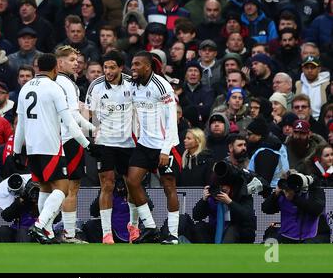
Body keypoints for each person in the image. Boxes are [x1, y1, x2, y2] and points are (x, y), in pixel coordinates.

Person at [14, 53, 98, 244]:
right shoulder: (54, 87)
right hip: (50, 146)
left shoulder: (25, 88)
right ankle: (40, 224)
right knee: (62, 187)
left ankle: (48, 232)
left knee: (45, 188)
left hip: (32, 147)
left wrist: (16, 151)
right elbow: (69, 121)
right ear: (55, 69)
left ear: (37, 69)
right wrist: (87, 144)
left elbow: (20, 124)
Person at [126, 51, 180, 244]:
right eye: (132, 64)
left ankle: (173, 234)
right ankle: (150, 227)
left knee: (168, 187)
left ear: (148, 67)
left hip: (164, 146)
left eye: (137, 64)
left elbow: (172, 120)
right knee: (132, 182)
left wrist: (166, 150)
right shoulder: (133, 85)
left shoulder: (161, 85)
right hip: (144, 144)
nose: (133, 68)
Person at [85, 50, 134, 244]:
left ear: (121, 67)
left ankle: (134, 228)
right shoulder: (96, 86)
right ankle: (107, 233)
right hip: (105, 142)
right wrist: (92, 135)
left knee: (132, 185)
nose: (108, 71)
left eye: (112, 67)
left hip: (128, 143)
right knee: (107, 184)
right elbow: (89, 113)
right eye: (106, 67)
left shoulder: (132, 84)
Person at [54, 45, 97, 244]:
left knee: (52, 188)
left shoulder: (52, 82)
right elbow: (73, 117)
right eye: (71, 60)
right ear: (60, 62)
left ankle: (45, 229)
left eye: (77, 59)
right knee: (71, 188)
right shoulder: (68, 84)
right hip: (69, 139)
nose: (76, 63)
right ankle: (69, 234)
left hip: (53, 140)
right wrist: (91, 131)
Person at [191, 161, 257, 243]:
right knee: (199, 227)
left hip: (239, 231)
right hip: (216, 228)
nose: (222, 189)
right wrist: (204, 200)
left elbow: (247, 216)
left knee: (232, 230)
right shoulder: (213, 194)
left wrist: (230, 202)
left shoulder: (242, 194)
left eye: (225, 187)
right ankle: (207, 252)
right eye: (220, 186)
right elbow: (196, 216)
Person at [262, 169, 326, 243]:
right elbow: (266, 209)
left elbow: (316, 210)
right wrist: (275, 195)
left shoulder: (313, 191)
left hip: (308, 238)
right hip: (285, 236)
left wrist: (294, 198)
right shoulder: (283, 194)